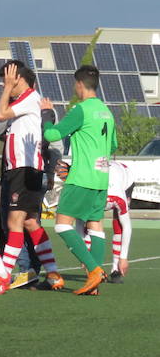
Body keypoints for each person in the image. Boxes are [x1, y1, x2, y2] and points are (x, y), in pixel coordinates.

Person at [42, 64, 117, 296]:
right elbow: (112, 145)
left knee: (63, 224)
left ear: (79, 84)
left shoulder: (80, 109)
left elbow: (52, 134)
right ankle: (93, 282)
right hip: (102, 178)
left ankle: (94, 270)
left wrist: (47, 116)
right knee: (95, 226)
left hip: (82, 177)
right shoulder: (107, 111)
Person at [0, 62, 63, 289]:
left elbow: (0, 114)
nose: (5, 86)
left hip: (23, 169)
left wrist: (7, 88)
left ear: (17, 79)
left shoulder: (28, 97)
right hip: (26, 169)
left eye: (7, 80)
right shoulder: (29, 100)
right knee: (31, 222)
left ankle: (3, 278)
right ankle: (53, 273)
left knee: (14, 223)